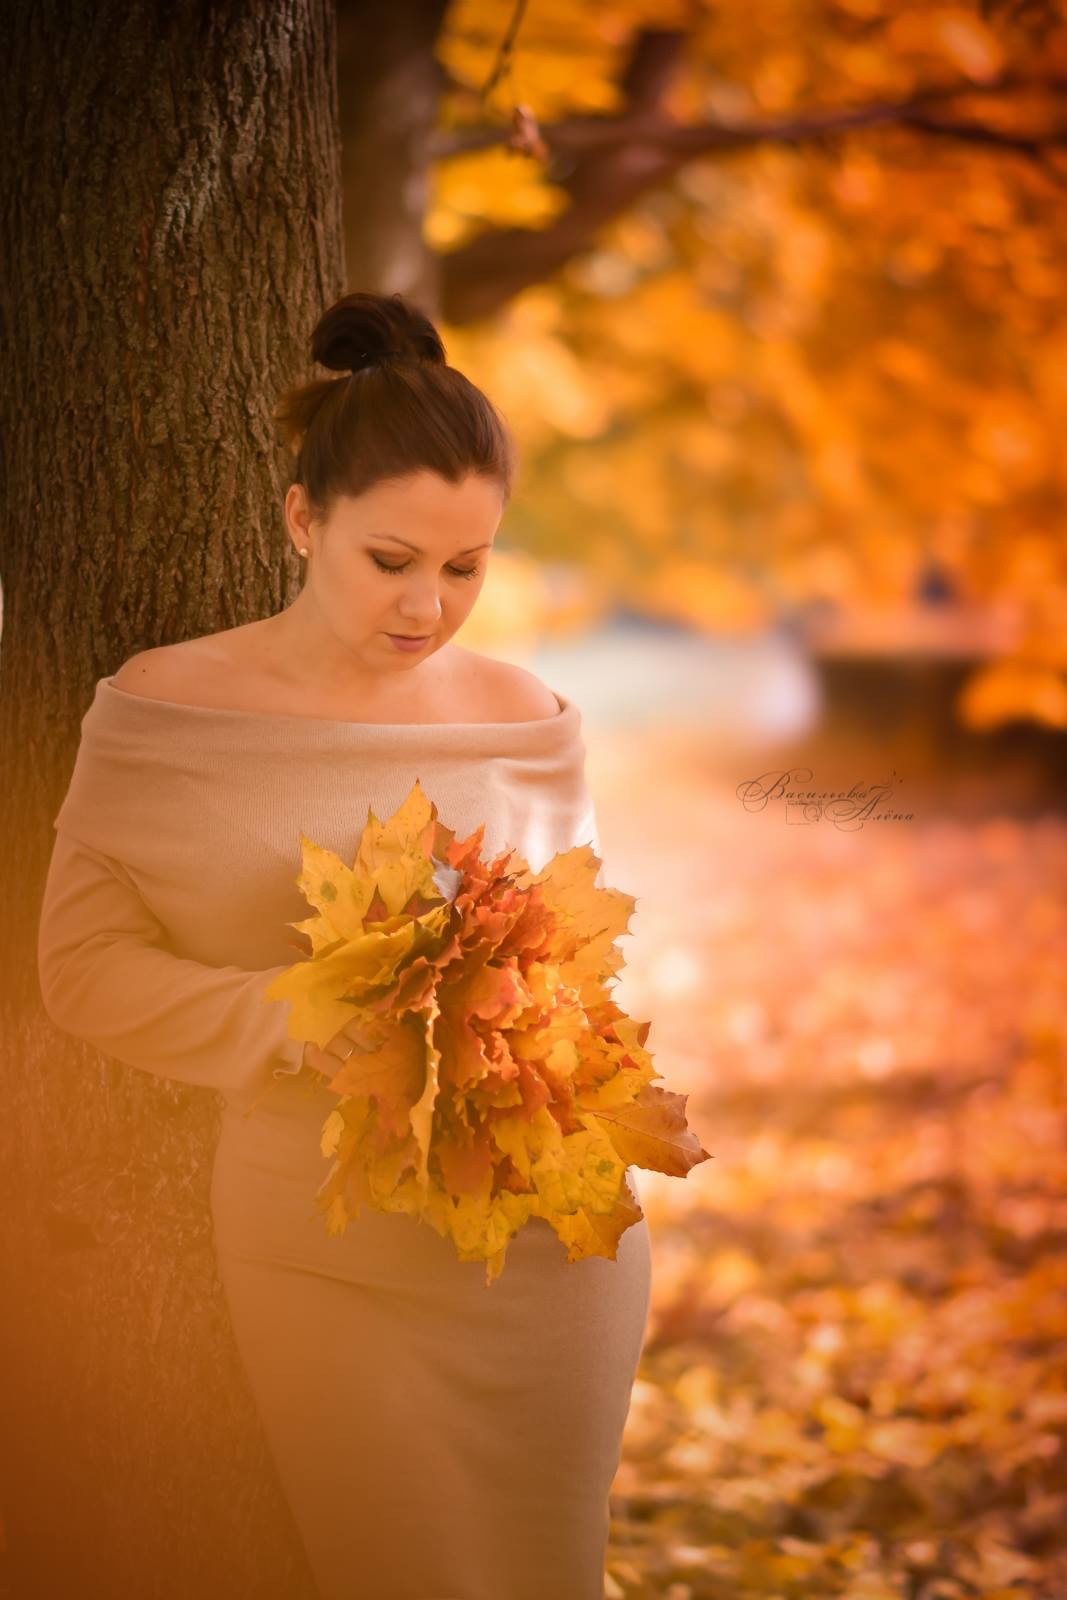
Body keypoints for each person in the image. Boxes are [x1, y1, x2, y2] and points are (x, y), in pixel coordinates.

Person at [36, 290, 653, 1600]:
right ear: (302, 519)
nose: (429, 605)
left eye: (465, 566)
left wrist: (518, 1005)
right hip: (324, 1242)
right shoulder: (161, 708)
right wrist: (299, 1015)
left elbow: (576, 958)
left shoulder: (527, 715)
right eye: (391, 561)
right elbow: (78, 970)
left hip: (545, 1240)